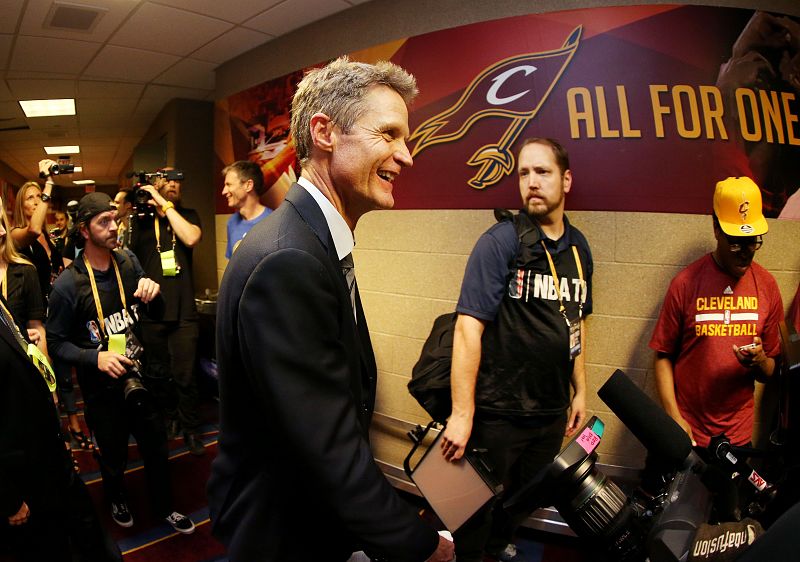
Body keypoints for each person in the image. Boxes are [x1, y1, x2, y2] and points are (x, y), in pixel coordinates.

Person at [208, 57, 454, 562]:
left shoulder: (309, 239)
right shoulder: (289, 259)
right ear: (324, 133)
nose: (406, 156)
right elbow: (327, 450)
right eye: (388, 134)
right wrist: (423, 547)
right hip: (283, 531)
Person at [440, 138, 591, 562]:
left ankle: (495, 546)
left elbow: (576, 323)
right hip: (498, 413)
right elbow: (468, 328)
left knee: (524, 497)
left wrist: (580, 389)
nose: (531, 182)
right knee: (470, 506)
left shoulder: (579, 250)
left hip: (550, 413)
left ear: (566, 180)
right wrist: (462, 414)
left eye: (542, 172)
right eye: (524, 173)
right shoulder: (500, 241)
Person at [47, 192, 196, 534]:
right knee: (113, 457)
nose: (114, 227)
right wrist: (94, 357)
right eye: (104, 222)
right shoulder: (69, 284)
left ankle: (165, 507)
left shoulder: (128, 261)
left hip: (140, 378)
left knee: (156, 448)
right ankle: (116, 497)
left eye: (114, 219)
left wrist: (153, 293)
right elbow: (55, 344)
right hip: (101, 389)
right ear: (84, 231)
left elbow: (153, 313)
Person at [0, 192, 122, 562]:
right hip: (19, 471)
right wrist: (6, 495)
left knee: (85, 532)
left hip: (45, 451)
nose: (1, 230)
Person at [650, 177, 783, 451]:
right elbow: (663, 356)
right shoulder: (685, 283)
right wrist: (674, 418)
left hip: (738, 437)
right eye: (735, 242)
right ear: (715, 227)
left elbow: (771, 371)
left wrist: (760, 361)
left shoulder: (767, 286)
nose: (745, 253)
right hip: (689, 432)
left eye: (752, 242)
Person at [128, 171, 205, 456]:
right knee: (158, 374)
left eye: (176, 180)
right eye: (166, 180)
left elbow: (191, 238)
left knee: (186, 374)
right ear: (155, 184)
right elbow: (129, 258)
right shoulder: (141, 221)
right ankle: (171, 417)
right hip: (152, 310)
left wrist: (163, 203)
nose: (172, 183)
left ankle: (191, 428)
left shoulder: (188, 215)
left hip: (184, 311)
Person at [10, 160, 65, 302]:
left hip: (53, 303)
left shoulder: (46, 235)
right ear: (21, 206)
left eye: (39, 196)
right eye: (30, 198)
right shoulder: (14, 234)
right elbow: (33, 229)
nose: (36, 202)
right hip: (32, 306)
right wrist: (49, 183)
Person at [222, 160, 271, 258]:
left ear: (248, 185)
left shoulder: (272, 223)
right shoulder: (232, 222)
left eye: (229, 184)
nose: (224, 191)